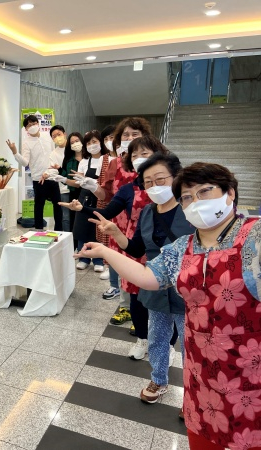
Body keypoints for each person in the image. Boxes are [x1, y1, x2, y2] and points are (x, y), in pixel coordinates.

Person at [76, 163, 261, 450]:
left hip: (249, 370)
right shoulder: (183, 246)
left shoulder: (254, 236)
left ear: (230, 193)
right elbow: (148, 275)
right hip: (200, 369)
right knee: (204, 438)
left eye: (204, 191)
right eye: (187, 197)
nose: (196, 202)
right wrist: (104, 252)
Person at [90, 152, 191, 404]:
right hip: (155, 286)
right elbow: (136, 249)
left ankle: (193, 394)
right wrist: (116, 232)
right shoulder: (147, 212)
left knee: (192, 346)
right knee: (157, 338)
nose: (155, 186)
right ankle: (159, 379)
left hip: (187, 289)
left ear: (176, 177)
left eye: (161, 179)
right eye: (148, 182)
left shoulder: (191, 210)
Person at [60, 135, 168, 359]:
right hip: (135, 244)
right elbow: (108, 212)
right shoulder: (128, 189)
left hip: (166, 250)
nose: (139, 158)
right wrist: (81, 209)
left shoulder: (173, 186)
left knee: (165, 301)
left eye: (145, 153)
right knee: (136, 296)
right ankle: (142, 339)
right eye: (135, 155)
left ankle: (165, 344)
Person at [6, 115, 63, 231]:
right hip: (38, 178)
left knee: (58, 205)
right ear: (26, 129)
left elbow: (54, 154)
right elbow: (25, 162)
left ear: (38, 123)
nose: (32, 126)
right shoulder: (26, 143)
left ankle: (59, 231)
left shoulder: (48, 136)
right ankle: (39, 231)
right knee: (39, 206)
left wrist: (56, 170)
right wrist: (15, 152)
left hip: (52, 176)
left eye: (33, 123)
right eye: (29, 125)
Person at [68, 130, 109, 272]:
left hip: (100, 197)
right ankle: (83, 258)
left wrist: (93, 182)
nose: (92, 145)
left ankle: (98, 260)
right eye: (89, 143)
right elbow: (78, 182)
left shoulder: (106, 160)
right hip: (85, 197)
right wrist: (66, 180)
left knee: (97, 228)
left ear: (101, 142)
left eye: (94, 142)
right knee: (82, 227)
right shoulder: (84, 161)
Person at [49, 125, 71, 232]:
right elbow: (52, 171)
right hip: (64, 189)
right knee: (65, 217)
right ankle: (68, 239)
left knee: (78, 215)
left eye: (59, 134)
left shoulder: (73, 148)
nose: (57, 137)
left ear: (64, 134)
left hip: (77, 187)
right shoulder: (53, 154)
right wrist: (47, 173)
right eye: (54, 136)